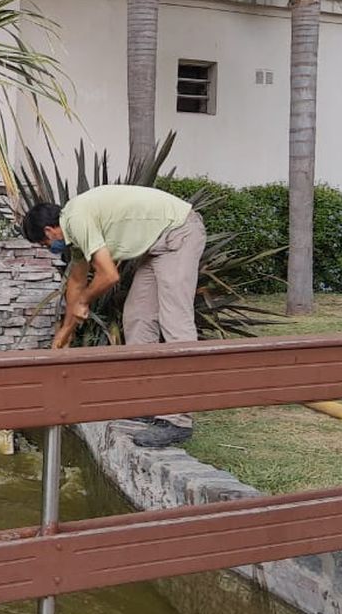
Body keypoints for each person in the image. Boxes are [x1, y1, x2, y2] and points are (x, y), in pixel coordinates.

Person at [21, 184, 206, 448]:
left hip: (179, 233)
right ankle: (149, 403)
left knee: (175, 322)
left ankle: (179, 419)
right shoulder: (75, 234)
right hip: (157, 246)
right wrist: (64, 333)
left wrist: (85, 300)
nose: (51, 247)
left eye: (45, 243)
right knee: (137, 318)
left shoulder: (77, 218)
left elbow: (109, 275)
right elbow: (75, 285)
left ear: (50, 230)